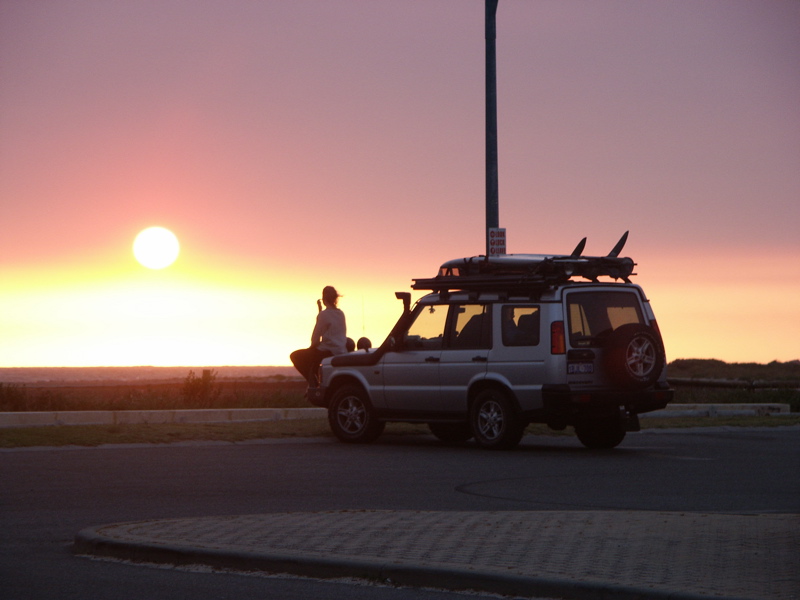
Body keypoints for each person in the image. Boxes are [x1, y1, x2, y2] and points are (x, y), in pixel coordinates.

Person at [290, 286, 347, 387]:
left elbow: (315, 339)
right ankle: (317, 378)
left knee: (295, 356)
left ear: (324, 299)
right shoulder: (340, 313)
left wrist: (311, 347)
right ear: (335, 299)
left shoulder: (324, 315)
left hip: (327, 351)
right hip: (341, 350)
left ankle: (313, 382)